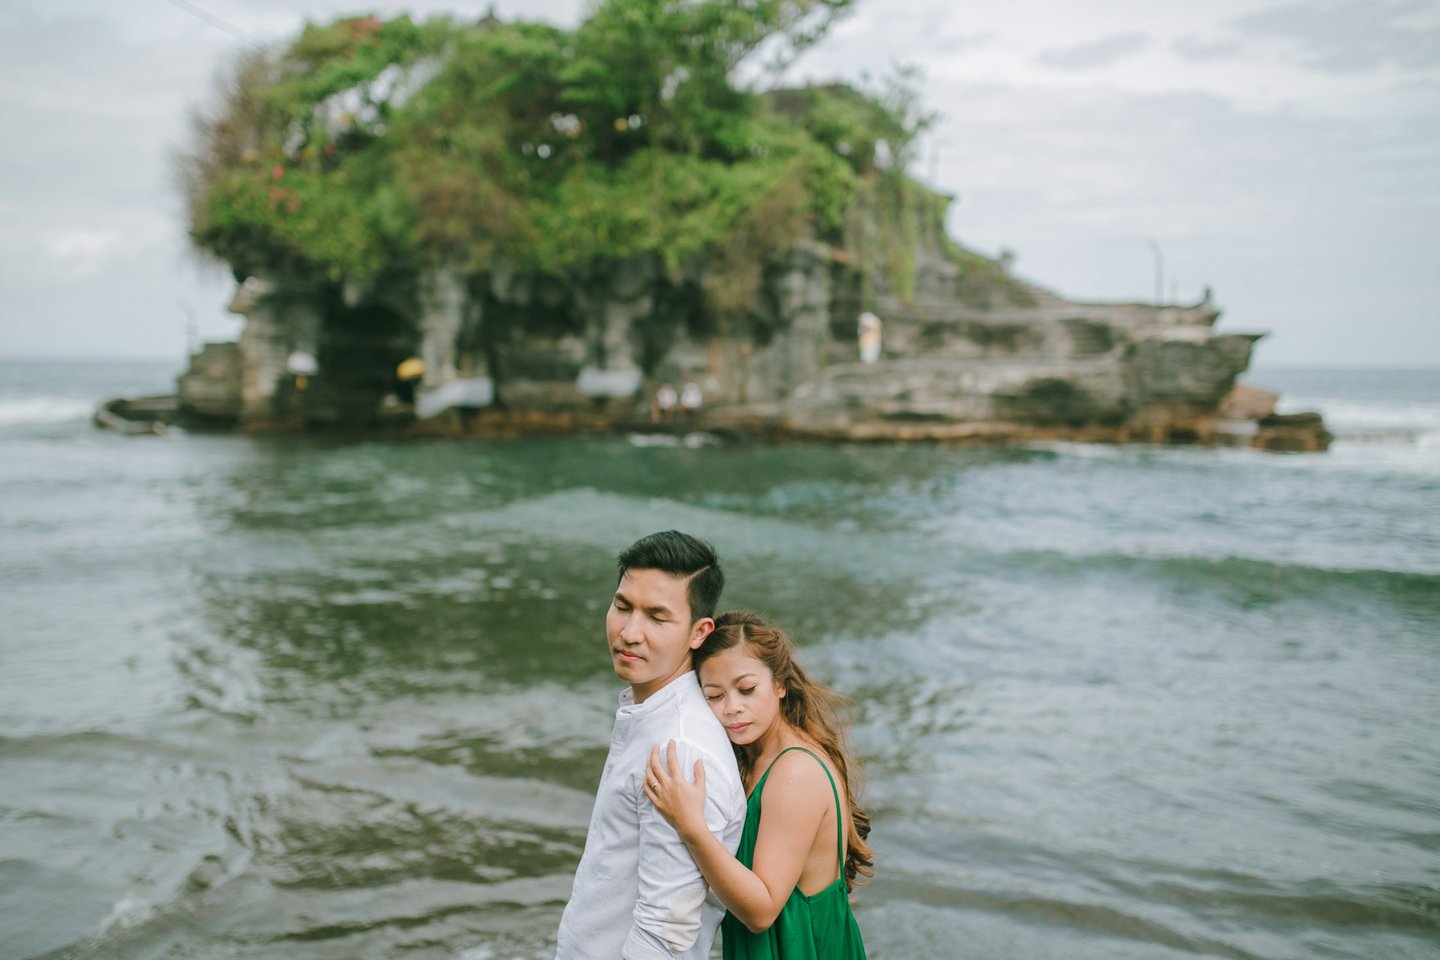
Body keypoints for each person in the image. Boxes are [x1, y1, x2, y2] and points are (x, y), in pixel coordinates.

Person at [555, 531, 747, 960]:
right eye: (622, 606)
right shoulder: (650, 712)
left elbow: (666, 932)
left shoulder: (679, 749)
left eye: (657, 618)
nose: (629, 632)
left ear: (699, 632)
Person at [645, 610, 871, 959]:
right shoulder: (756, 757)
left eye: (747, 689)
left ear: (780, 685)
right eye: (714, 696)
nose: (732, 708)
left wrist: (690, 826)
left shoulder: (795, 773)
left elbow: (761, 911)